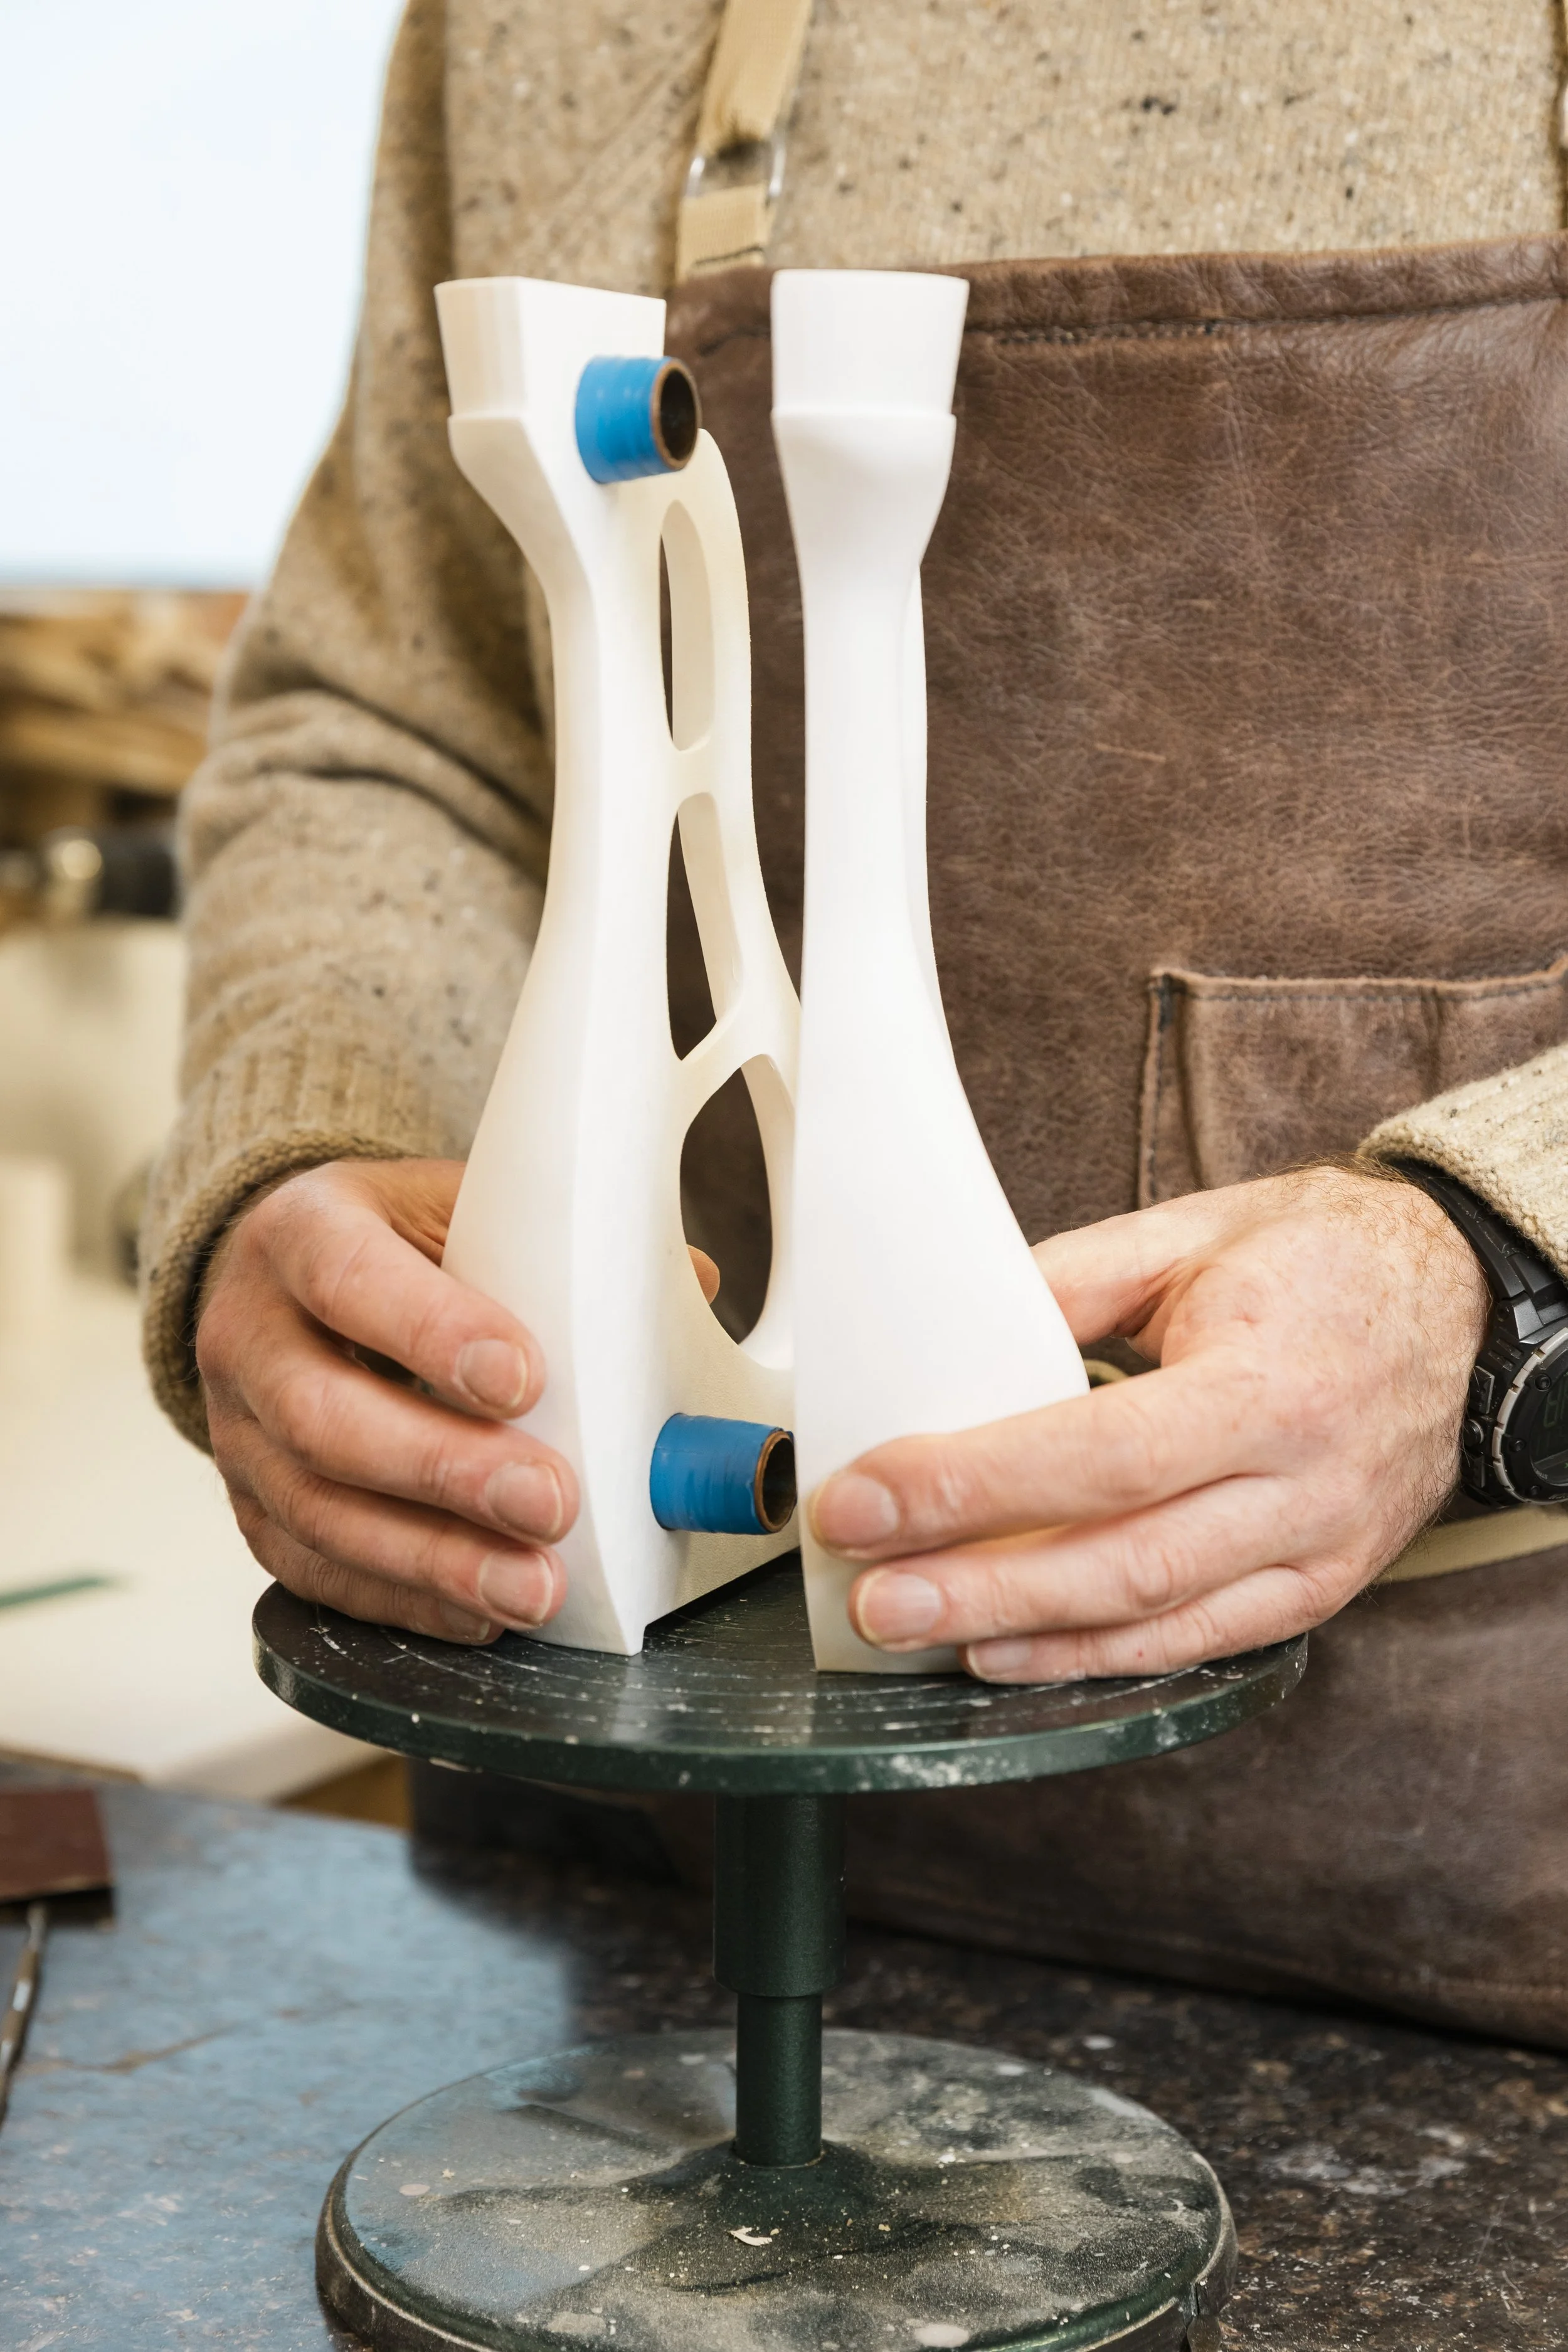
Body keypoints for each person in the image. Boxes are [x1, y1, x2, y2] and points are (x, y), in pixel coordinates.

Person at [144, 0, 1568, 2042]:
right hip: (624, 1883)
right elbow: (393, 726)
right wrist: (306, 1161)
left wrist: (1495, 1272)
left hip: (1480, 1964)